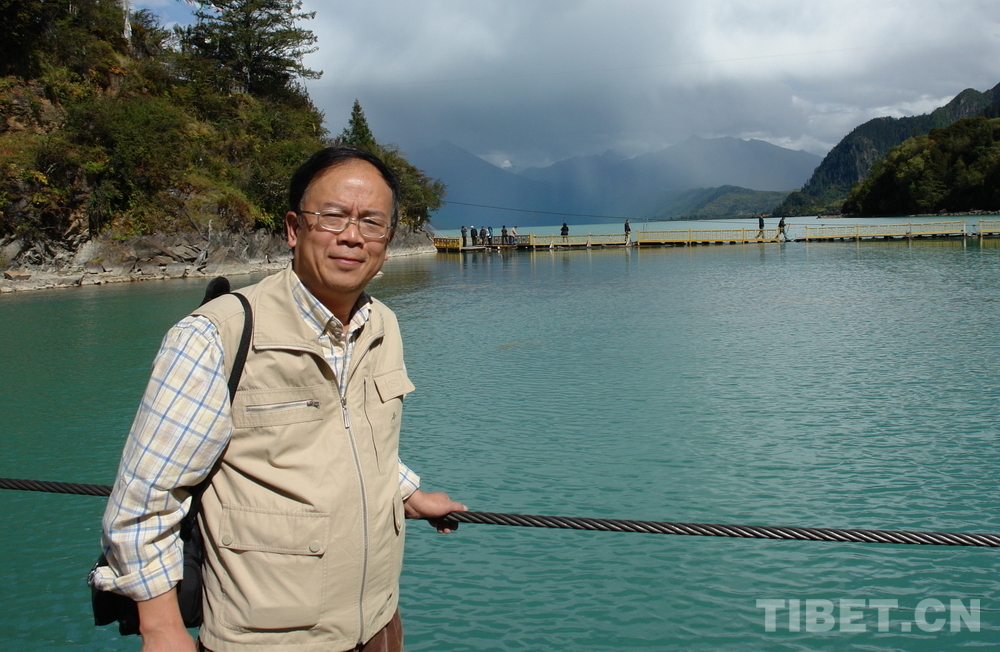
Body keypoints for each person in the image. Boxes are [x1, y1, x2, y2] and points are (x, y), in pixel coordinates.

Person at [92, 145, 466, 652]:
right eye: (333, 216)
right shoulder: (216, 336)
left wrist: (405, 491)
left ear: (388, 239)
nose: (352, 235)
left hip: (379, 624)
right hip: (268, 640)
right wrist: (162, 629)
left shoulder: (383, 325)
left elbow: (356, 436)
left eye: (371, 222)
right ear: (293, 228)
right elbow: (143, 501)